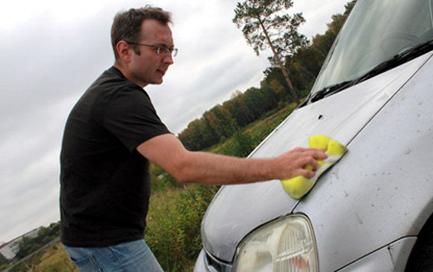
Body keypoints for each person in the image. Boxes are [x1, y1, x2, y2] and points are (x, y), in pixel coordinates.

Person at [59, 6, 326, 272]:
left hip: (104, 240)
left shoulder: (116, 93)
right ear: (125, 51)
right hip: (105, 245)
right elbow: (183, 167)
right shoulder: (118, 98)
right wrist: (278, 167)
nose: (169, 59)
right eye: (159, 49)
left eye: (170, 49)